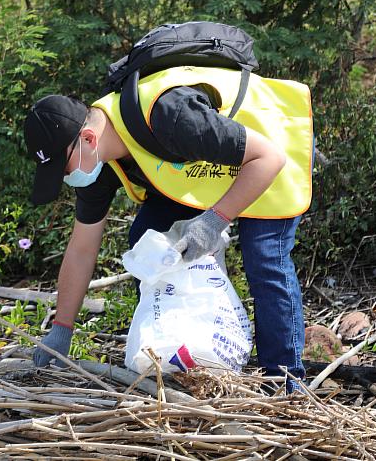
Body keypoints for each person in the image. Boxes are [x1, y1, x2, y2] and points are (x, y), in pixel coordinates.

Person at [23, 65, 312, 392]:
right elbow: (81, 249)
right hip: (211, 167)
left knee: (264, 258)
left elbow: (269, 159)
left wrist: (214, 222)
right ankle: (171, 359)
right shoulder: (97, 161)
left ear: (87, 138)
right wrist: (61, 329)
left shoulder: (168, 116)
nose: (66, 179)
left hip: (269, 148)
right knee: (149, 236)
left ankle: (285, 385)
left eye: (63, 169)